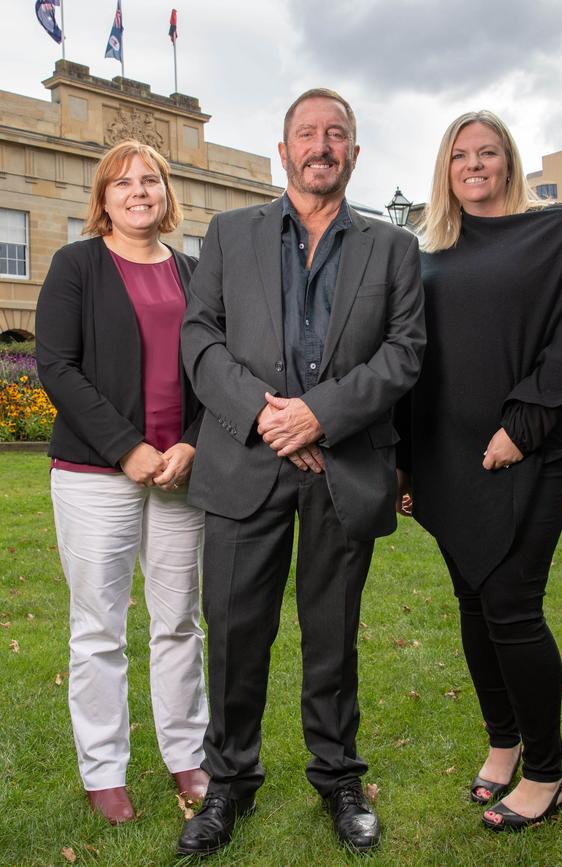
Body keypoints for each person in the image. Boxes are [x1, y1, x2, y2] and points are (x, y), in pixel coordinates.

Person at [176, 88, 425, 856]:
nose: (322, 145)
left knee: (332, 633)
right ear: (283, 150)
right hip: (244, 461)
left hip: (342, 468)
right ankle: (229, 783)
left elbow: (404, 352)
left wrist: (318, 414)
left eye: (337, 134)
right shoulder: (228, 232)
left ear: (355, 152)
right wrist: (265, 413)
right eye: (307, 134)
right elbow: (200, 336)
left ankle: (339, 775)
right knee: (236, 631)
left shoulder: (393, 248)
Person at [395, 110, 562, 831]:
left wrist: (522, 425)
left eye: (488, 152)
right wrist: (403, 460)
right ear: (445, 169)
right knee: (474, 603)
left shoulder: (559, 233)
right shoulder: (427, 255)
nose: (475, 165)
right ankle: (503, 741)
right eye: (461, 155)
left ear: (509, 161)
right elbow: (412, 365)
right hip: (448, 459)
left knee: (512, 602)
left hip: (534, 447)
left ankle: (547, 775)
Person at [35, 140, 210, 825]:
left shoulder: (194, 273)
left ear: (166, 194)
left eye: (151, 180)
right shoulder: (76, 265)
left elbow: (211, 365)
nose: (139, 191)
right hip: (94, 473)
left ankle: (186, 754)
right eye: (124, 182)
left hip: (180, 474)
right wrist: (127, 448)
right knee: (100, 628)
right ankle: (104, 769)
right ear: (103, 199)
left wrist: (192, 440)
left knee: (178, 623)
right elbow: (57, 365)